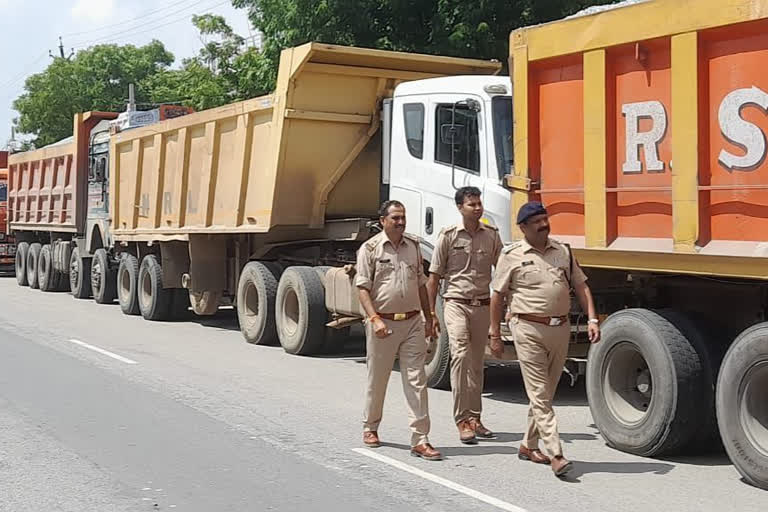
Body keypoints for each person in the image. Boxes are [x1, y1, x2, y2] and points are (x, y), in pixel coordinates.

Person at [489, 201, 601, 477]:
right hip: (527, 328)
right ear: (523, 227)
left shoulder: (563, 251)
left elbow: (580, 284)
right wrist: (494, 333)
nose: (543, 224)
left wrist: (592, 318)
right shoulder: (512, 255)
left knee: (546, 393)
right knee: (540, 393)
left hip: (559, 328)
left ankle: (528, 444)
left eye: (545, 218)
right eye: (537, 221)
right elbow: (497, 296)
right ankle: (556, 452)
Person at [355, 200, 442, 461]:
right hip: (384, 324)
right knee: (378, 378)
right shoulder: (370, 248)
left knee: (416, 380)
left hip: (413, 322)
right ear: (383, 220)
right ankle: (370, 426)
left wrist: (430, 316)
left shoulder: (413, 247)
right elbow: (362, 288)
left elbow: (421, 284)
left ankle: (420, 439)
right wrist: (374, 319)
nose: (401, 222)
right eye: (395, 218)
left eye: (403, 218)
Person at [426, 186, 503, 445]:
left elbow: (503, 273)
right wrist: (430, 315)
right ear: (460, 207)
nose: (477, 208)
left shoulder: (491, 236)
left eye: (479, 203)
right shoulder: (448, 237)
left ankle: (476, 417)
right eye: (472, 204)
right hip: (455, 303)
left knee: (477, 363)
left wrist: (509, 305)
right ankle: (462, 419)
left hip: (481, 305)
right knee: (459, 355)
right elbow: (434, 278)